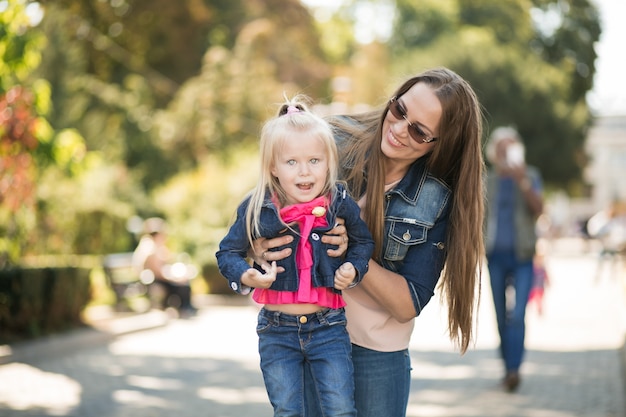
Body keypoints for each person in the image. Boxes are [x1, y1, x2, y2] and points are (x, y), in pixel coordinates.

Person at [251, 67, 485, 417]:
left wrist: (353, 255)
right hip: (307, 334)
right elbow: (262, 209)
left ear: (442, 144)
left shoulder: (437, 197)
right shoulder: (332, 140)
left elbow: (407, 302)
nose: (399, 129)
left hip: (378, 351)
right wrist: (257, 246)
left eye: (419, 131)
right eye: (400, 110)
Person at [216, 98, 375, 417]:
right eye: (292, 162)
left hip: (328, 326)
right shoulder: (258, 206)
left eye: (315, 160)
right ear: (273, 166)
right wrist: (247, 275)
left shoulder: (338, 202)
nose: (305, 171)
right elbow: (227, 253)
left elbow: (363, 242)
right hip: (276, 329)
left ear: (328, 162)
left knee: (341, 409)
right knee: (288, 410)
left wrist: (353, 269)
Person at [484, 126, 544, 392]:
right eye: (501, 149)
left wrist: (522, 181)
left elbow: (539, 209)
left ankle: (514, 370)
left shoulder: (530, 175)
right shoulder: (487, 180)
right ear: (494, 153)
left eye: (510, 148)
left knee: (517, 315)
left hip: (522, 256)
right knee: (500, 315)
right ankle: (507, 367)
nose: (505, 154)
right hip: (494, 255)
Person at [132, 217, 196, 316]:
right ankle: (184, 308)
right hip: (152, 280)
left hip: (154, 278)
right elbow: (158, 272)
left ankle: (184, 308)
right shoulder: (150, 248)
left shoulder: (151, 245)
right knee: (183, 286)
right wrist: (175, 279)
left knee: (182, 283)